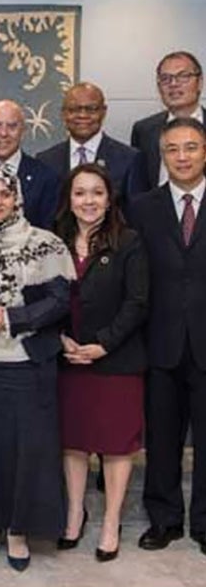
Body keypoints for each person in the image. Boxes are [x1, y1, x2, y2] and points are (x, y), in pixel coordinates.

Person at [0, 166, 74, 572]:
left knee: (30, 451)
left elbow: (59, 301)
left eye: (4, 194)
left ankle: (19, 530)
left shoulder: (45, 244)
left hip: (30, 365)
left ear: (17, 198)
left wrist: (9, 319)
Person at [52, 163, 148, 561]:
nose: (88, 201)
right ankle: (75, 513)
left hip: (116, 362)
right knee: (72, 443)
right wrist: (59, 339)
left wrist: (103, 345)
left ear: (109, 200)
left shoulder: (129, 241)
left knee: (115, 446)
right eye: (79, 193)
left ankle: (110, 522)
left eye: (96, 193)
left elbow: (138, 302)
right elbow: (41, 295)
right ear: (68, 200)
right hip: (67, 359)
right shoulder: (53, 239)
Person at [132, 117, 206, 556]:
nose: (182, 156)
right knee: (161, 440)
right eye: (173, 149)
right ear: (162, 155)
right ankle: (164, 519)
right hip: (159, 342)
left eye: (191, 147)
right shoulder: (143, 207)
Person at [38, 82, 147, 215]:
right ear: (63, 114)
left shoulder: (129, 159)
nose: (83, 115)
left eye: (91, 109)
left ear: (103, 112)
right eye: (74, 109)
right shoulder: (46, 160)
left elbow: (137, 214)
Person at [0, 100, 61, 229]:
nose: (3, 133)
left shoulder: (46, 177)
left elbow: (48, 230)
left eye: (12, 126)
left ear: (23, 131)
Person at [131, 51, 206, 191]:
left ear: (200, 83)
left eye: (183, 76)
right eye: (165, 78)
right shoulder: (144, 130)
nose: (173, 84)